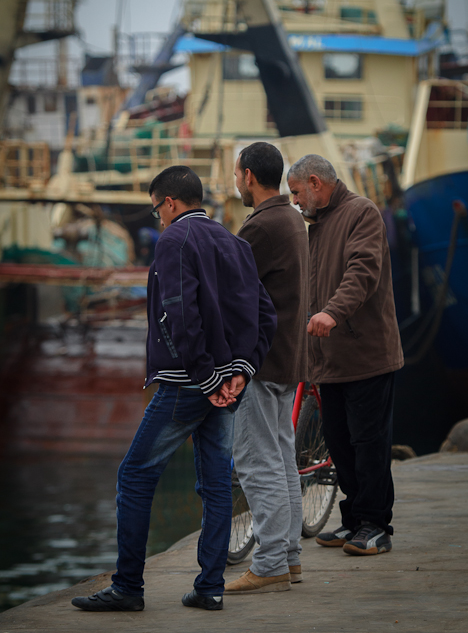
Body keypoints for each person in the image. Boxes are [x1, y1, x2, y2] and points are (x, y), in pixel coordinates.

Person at [71, 166, 277, 613]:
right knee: (217, 485)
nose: (157, 219)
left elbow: (176, 316)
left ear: (169, 203)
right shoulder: (235, 242)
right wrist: (240, 372)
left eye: (155, 209)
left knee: (134, 476)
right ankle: (209, 587)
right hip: (224, 384)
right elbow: (265, 314)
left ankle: (127, 587)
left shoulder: (173, 242)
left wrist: (206, 379)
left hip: (189, 384)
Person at [287, 154, 404, 556]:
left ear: (316, 183)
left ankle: (375, 525)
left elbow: (363, 271)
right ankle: (353, 518)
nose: (296, 202)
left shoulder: (361, 213)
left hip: (366, 354)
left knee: (369, 442)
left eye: (298, 192)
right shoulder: (316, 226)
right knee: (339, 443)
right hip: (330, 359)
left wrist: (332, 312)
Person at [224, 142, 308, 595]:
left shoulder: (262, 226)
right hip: (286, 358)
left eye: (238, 174)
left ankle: (272, 561)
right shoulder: (291, 218)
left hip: (260, 361)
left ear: (250, 175)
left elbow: (232, 292)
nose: (236, 181)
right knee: (281, 461)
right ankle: (288, 558)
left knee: (258, 464)